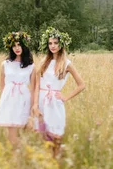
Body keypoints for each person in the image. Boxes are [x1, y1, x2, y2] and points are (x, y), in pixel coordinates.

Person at [33, 27, 85, 158]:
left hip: (55, 104)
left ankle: (57, 163)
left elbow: (82, 85)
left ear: (61, 44)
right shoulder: (44, 61)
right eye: (50, 43)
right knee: (44, 137)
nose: (53, 46)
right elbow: (37, 85)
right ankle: (48, 164)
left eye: (55, 43)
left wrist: (65, 97)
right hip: (41, 101)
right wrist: (35, 105)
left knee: (56, 137)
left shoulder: (66, 63)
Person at [0, 31, 36, 147]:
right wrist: (5, 103)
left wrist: (32, 111)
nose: (17, 48)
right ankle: (15, 161)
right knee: (12, 138)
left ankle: (23, 159)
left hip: (24, 101)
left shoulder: (31, 66)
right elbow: (2, 86)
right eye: (14, 46)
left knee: (24, 136)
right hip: (9, 101)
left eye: (19, 45)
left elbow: (33, 90)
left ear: (24, 46)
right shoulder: (5, 64)